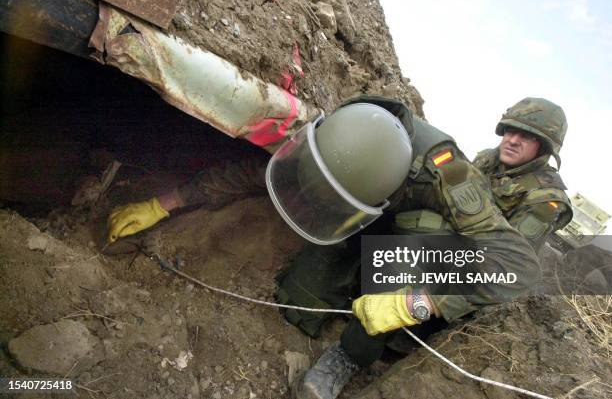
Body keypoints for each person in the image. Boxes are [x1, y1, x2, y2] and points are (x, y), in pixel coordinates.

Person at [106, 96, 541, 399]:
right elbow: (254, 172)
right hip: (369, 217)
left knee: (410, 264)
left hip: (425, 240)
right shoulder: (343, 126)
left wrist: (421, 302)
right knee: (302, 298)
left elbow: (517, 265)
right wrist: (166, 203)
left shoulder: (448, 176)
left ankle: (349, 358)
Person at [472, 97, 573, 253]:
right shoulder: (487, 159)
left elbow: (507, 258)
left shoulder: (546, 198)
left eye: (527, 136)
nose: (513, 141)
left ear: (544, 148)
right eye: (510, 130)